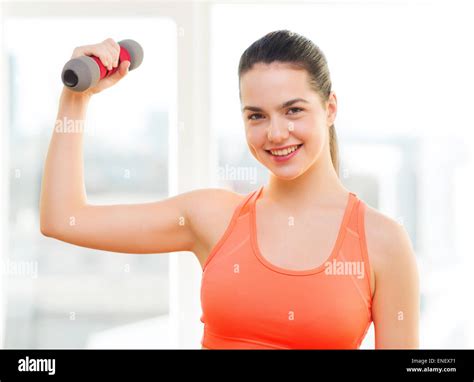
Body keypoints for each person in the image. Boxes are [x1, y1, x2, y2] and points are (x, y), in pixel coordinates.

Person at [40, 31, 419, 350]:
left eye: (293, 111)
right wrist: (76, 97)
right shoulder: (214, 217)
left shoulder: (381, 240)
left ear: (330, 108)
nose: (275, 133)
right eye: (256, 115)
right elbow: (64, 219)